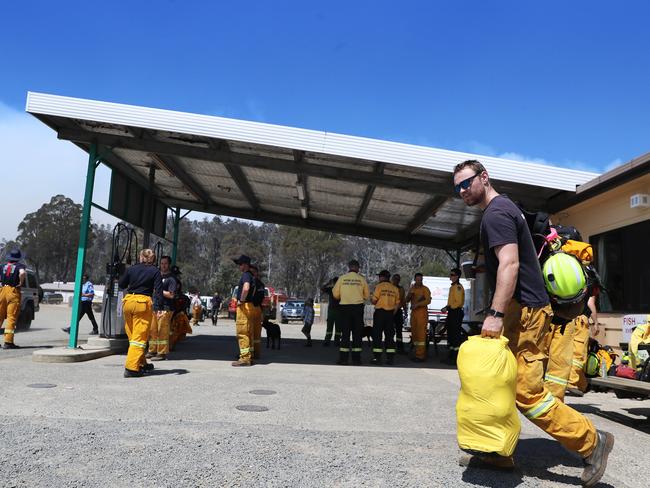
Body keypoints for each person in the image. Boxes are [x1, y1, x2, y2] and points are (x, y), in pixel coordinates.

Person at [453, 159, 613, 485]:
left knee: (527, 393)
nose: (462, 191)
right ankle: (498, 453)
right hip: (521, 309)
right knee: (500, 381)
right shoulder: (506, 208)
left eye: (466, 183)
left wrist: (496, 315)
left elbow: (509, 265)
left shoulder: (496, 213)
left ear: (484, 177)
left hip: (525, 313)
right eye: (457, 187)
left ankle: (592, 442)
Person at [118, 248, 162, 378]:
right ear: (152, 258)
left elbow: (121, 284)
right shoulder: (155, 271)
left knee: (133, 335)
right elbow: (158, 291)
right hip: (142, 304)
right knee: (139, 338)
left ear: (141, 257)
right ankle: (131, 368)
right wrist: (159, 308)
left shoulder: (131, 269)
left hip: (128, 302)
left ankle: (141, 363)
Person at [332, 259, 369, 365]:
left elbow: (335, 294)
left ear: (349, 267)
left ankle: (343, 359)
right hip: (357, 309)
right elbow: (366, 296)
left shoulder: (342, 279)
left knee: (345, 334)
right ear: (358, 268)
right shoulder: (362, 279)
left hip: (345, 309)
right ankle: (356, 359)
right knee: (357, 334)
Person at [566, 296, 601, 396]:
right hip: (580, 320)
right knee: (579, 355)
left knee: (567, 352)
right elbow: (590, 303)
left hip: (567, 318)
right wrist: (596, 323)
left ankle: (582, 385)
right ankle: (572, 383)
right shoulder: (591, 282)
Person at [147, 256, 178, 361]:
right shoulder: (156, 276)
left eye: (165, 263)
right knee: (152, 330)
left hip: (165, 308)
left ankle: (162, 353)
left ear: (169, 265)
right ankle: (152, 350)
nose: (163, 265)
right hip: (155, 307)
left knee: (162, 331)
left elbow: (171, 295)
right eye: (161, 263)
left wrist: (159, 291)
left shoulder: (171, 279)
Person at [371, 270, 400, 365]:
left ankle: (377, 358)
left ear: (383, 277)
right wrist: (392, 314)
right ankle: (390, 359)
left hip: (380, 313)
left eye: (380, 276)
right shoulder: (394, 288)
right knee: (390, 336)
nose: (379, 278)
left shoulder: (379, 286)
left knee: (377, 335)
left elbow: (374, 300)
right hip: (390, 314)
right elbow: (397, 304)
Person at [232, 254, 257, 367]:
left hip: (245, 306)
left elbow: (246, 288)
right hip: (250, 306)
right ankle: (249, 356)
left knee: (242, 332)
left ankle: (244, 358)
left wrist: (241, 300)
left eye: (240, 264)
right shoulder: (251, 275)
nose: (239, 266)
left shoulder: (246, 275)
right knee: (248, 332)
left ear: (245, 265)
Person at [1, 249, 26, 349]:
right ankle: (8, 342)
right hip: (13, 291)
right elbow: (22, 273)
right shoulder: (20, 266)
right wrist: (21, 282)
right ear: (18, 258)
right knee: (11, 317)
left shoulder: (2, 266)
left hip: (2, 290)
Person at [441, 267, 465, 365]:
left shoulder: (458, 287)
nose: (450, 276)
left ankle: (455, 358)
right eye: (450, 274)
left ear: (457, 276)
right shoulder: (453, 287)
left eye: (452, 275)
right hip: (452, 312)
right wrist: (447, 307)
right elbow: (452, 301)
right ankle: (451, 356)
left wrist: (449, 308)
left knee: (455, 336)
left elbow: (458, 302)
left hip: (456, 312)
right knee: (451, 335)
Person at [406, 273, 431, 362]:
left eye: (420, 279)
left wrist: (417, 304)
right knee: (415, 333)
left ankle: (421, 355)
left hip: (422, 314)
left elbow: (428, 300)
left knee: (421, 334)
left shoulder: (425, 289)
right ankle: (417, 353)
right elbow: (407, 300)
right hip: (414, 314)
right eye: (417, 279)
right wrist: (409, 294)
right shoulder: (412, 289)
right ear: (415, 279)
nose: (419, 281)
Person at [249, 264, 265, 360]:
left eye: (253, 272)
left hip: (252, 308)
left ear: (256, 273)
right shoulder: (261, 284)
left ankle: (249, 354)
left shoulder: (252, 283)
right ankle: (256, 353)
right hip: (258, 309)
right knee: (256, 334)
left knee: (249, 333)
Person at [321, 277, 341, 346]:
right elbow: (322, 289)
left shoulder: (331, 289)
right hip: (337, 311)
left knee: (331, 327)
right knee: (336, 328)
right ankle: (336, 341)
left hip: (334, 311)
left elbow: (322, 288)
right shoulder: (337, 289)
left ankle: (328, 341)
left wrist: (328, 284)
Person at [391, 274, 407, 353]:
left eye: (398, 279)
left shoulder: (401, 289)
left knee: (399, 330)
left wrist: (405, 310)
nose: (396, 280)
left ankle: (400, 347)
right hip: (390, 311)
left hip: (398, 312)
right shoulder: (389, 288)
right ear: (392, 279)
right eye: (395, 279)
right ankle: (390, 345)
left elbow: (403, 300)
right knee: (389, 330)